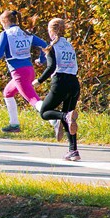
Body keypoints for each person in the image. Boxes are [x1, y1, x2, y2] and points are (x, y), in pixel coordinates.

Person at [33, 18, 81, 161]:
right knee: (69, 116)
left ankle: (63, 117)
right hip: (74, 83)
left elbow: (52, 67)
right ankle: (73, 151)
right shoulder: (69, 45)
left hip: (60, 82)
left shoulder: (52, 46)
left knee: (44, 112)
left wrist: (39, 80)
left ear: (51, 31)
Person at [0, 10, 48, 133]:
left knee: (33, 99)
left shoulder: (6, 34)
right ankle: (14, 124)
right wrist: (41, 59)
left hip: (18, 72)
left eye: (2, 23)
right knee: (8, 93)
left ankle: (55, 120)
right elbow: (45, 45)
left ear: (5, 22)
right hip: (29, 69)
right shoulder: (26, 33)